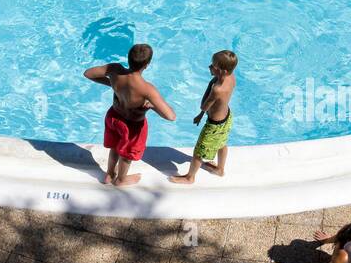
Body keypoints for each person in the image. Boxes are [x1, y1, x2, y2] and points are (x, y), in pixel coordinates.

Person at [83, 44, 176, 187]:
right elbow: (170, 116)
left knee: (114, 147)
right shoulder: (147, 89)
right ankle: (120, 179)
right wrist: (151, 105)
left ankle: (109, 174)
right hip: (132, 127)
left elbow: (88, 73)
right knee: (126, 154)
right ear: (147, 65)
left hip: (114, 117)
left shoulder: (115, 70)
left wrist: (112, 84)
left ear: (128, 59)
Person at [170, 50, 238, 184]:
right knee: (222, 144)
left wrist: (200, 114)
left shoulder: (217, 89)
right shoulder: (231, 78)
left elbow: (204, 106)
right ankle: (220, 169)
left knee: (199, 152)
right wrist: (215, 78)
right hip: (227, 117)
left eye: (213, 66)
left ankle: (190, 178)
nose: (210, 67)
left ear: (223, 71)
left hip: (214, 124)